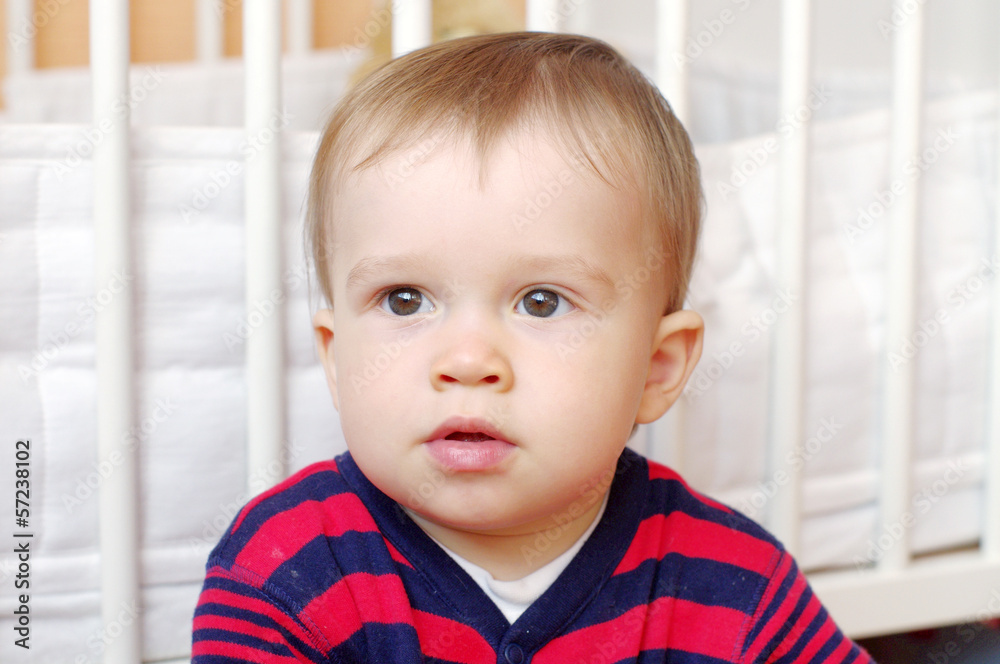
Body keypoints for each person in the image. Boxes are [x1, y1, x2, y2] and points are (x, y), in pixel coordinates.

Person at [191, 32, 874, 663]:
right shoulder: (284, 570)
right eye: (405, 300)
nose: (466, 361)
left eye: (541, 302)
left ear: (656, 368)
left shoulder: (734, 585)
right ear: (337, 359)